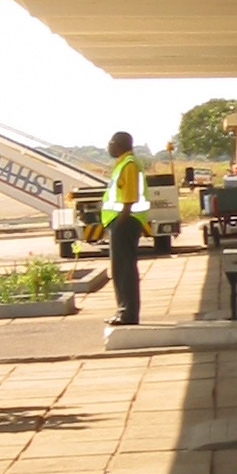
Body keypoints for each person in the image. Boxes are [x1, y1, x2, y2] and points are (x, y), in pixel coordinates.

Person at [102, 130, 149, 327]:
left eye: (111, 142)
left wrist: (121, 220)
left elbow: (130, 196)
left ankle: (127, 314)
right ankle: (124, 310)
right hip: (121, 221)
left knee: (124, 269)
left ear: (120, 144)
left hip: (125, 221)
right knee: (121, 268)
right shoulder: (123, 163)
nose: (109, 146)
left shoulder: (128, 164)